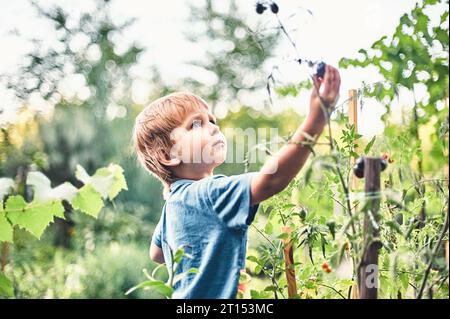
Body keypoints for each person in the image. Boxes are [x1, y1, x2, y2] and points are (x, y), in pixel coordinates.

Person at [132, 65, 341, 298]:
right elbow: (272, 180)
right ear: (167, 155)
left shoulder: (173, 203)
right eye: (196, 124)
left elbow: (157, 253)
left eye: (211, 120)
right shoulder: (210, 193)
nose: (213, 127)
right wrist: (316, 119)